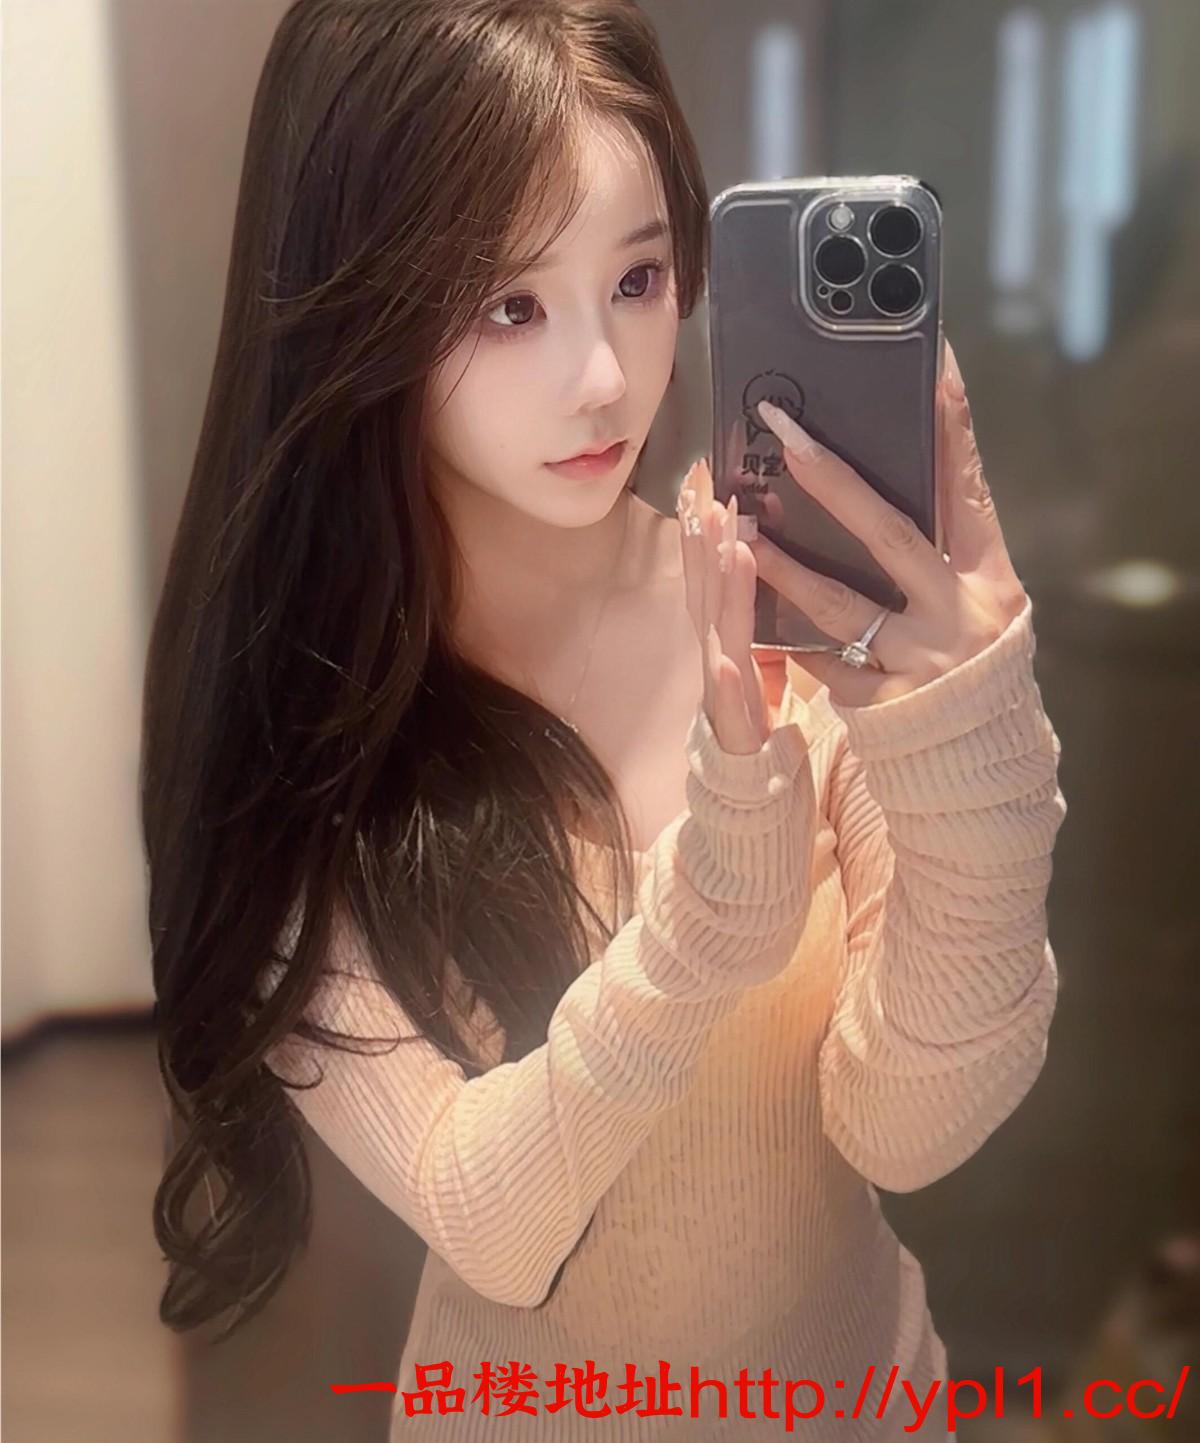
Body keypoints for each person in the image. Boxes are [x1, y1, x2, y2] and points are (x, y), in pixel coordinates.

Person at [143, 1, 1068, 1438]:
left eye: (638, 280)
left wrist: (971, 754)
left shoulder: (775, 605)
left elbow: (909, 1125)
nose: (606, 379)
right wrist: (705, 924)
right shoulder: (311, 731)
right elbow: (489, 1221)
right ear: (349, 307)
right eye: (508, 306)